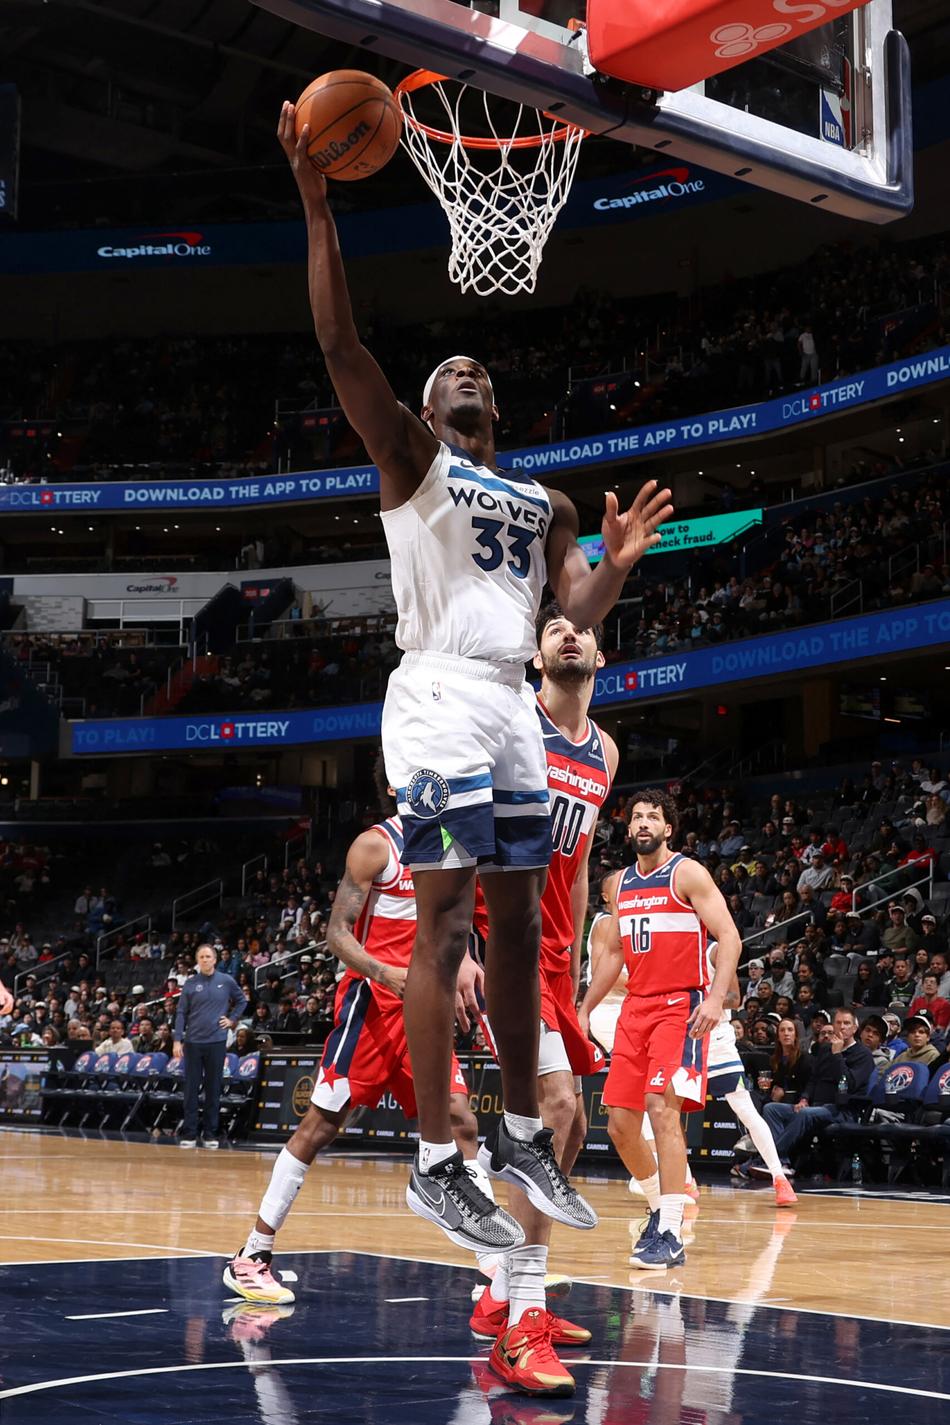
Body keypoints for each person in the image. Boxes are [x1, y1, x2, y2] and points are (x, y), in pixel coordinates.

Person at [277, 101, 672, 1265]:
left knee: (511, 919)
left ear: (497, 409)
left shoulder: (543, 501)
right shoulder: (410, 460)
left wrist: (615, 570)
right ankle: (435, 1164)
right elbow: (342, 348)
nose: (458, 370)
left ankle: (511, 1133)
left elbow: (570, 618)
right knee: (443, 919)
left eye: (474, 367)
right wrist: (314, 204)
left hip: (507, 698)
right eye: (443, 366)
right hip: (438, 692)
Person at [224, 764, 490, 1307]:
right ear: (394, 788)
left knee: (461, 1119)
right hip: (372, 1005)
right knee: (322, 1125)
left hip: (423, 1007)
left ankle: (496, 1260)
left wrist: (464, 963)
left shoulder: (450, 843)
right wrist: (384, 972)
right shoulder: (375, 846)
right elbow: (335, 933)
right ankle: (252, 1253)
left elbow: (457, 924)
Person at [467, 604, 617, 1393]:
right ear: (534, 654)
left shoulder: (605, 751)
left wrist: (585, 972)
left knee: (575, 1121)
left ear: (598, 650)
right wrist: (455, 945)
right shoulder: (509, 721)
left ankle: (502, 1292)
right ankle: (521, 1319)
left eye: (580, 627)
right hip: (502, 941)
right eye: (553, 625)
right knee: (554, 1110)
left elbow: (584, 858)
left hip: (556, 956)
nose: (568, 632)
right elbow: (452, 830)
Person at [579, 789, 741, 1270]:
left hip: (681, 1006)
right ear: (628, 830)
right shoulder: (622, 885)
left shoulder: (687, 873)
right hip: (635, 1009)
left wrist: (715, 997)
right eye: (637, 817)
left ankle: (671, 1230)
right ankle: (659, 1207)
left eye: (653, 817)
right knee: (621, 1125)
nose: (644, 823)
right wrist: (584, 1008)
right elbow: (612, 956)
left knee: (660, 1109)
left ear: (668, 828)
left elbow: (729, 936)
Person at [748, 1008, 873, 1179]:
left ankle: (767, 1160)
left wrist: (837, 1055)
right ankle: (782, 1162)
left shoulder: (863, 1054)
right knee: (771, 1108)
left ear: (854, 1028)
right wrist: (805, 1098)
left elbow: (849, 1084)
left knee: (806, 1114)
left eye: (846, 1023)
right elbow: (813, 1079)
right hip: (816, 1106)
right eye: (838, 1023)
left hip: (843, 1110)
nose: (842, 1027)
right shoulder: (824, 1050)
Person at [174, 944, 248, 1149]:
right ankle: (189, 1133)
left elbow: (242, 1001)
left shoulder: (226, 981)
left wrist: (232, 1020)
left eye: (208, 956)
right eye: (201, 957)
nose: (205, 960)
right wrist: (177, 1039)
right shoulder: (190, 983)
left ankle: (209, 1134)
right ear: (197, 960)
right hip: (192, 1042)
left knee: (213, 1089)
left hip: (216, 1041)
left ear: (215, 960)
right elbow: (181, 1013)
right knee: (190, 1089)